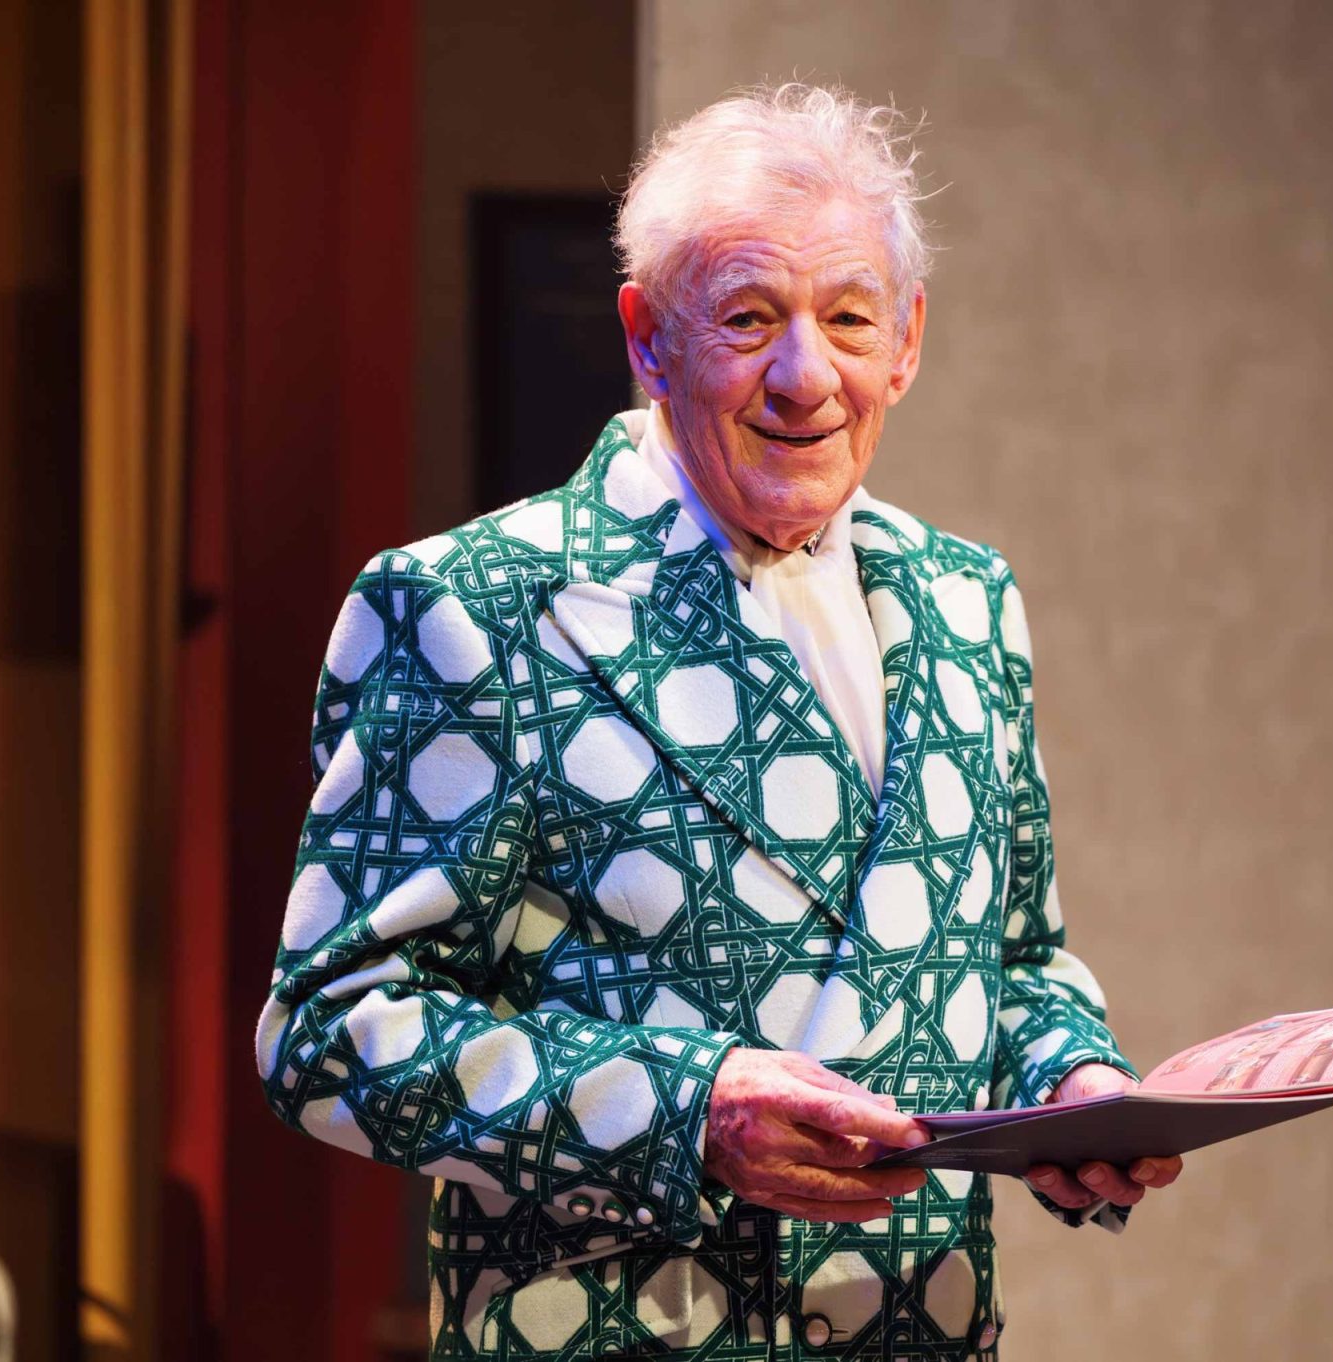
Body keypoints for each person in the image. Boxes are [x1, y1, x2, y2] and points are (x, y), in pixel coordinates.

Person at [255, 82, 1182, 1360]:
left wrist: (1073, 1089)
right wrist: (686, 1111)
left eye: (849, 319)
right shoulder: (473, 609)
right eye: (749, 319)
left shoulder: (967, 602)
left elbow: (1014, 960)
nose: (806, 377)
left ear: (906, 340)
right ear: (647, 338)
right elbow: (331, 1031)